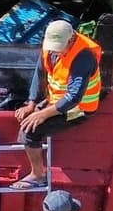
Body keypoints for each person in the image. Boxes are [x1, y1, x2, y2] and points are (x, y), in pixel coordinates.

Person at [9, 19, 102, 190]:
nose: (55, 52)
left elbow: (73, 97)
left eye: (59, 48)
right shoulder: (50, 48)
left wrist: (43, 114)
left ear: (71, 39)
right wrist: (31, 103)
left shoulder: (84, 56)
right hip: (56, 100)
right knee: (29, 118)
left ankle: (38, 175)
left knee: (30, 130)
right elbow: (39, 74)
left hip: (79, 109)